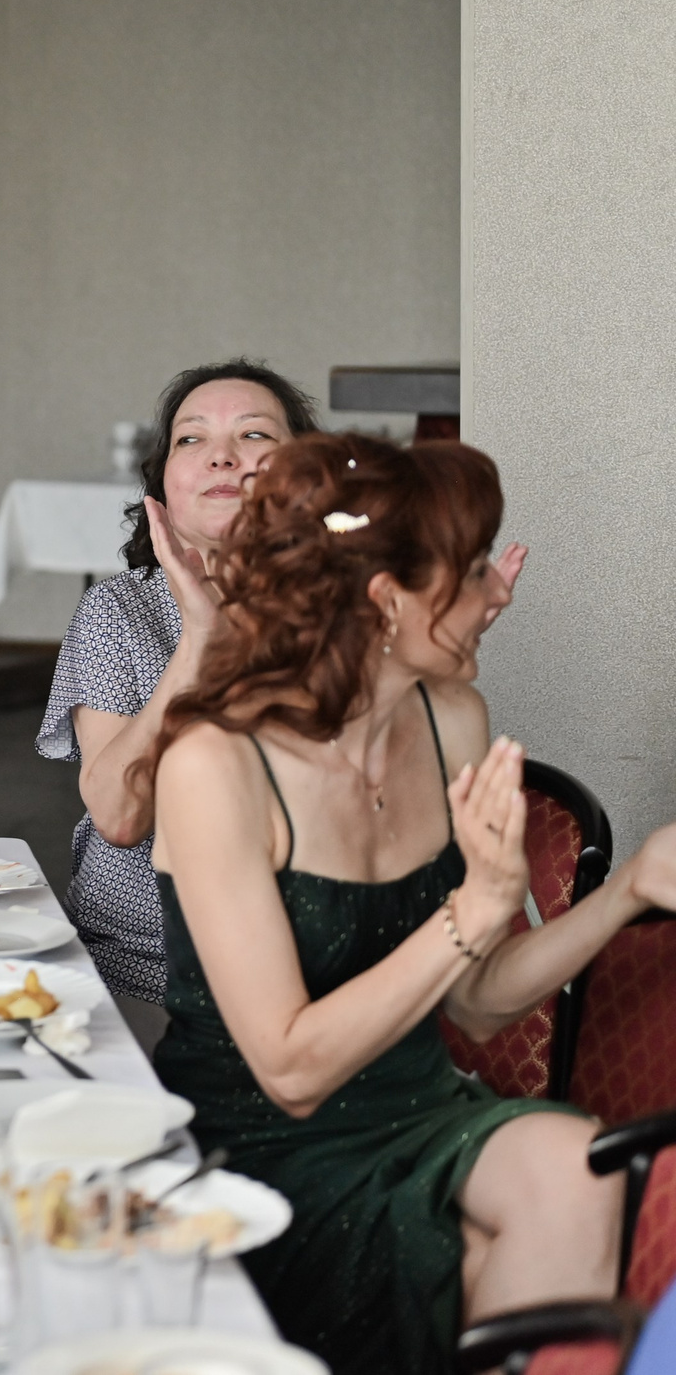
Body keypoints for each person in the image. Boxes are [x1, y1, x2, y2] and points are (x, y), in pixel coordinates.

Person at [149, 433, 676, 1370]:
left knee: (578, 1165)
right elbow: (291, 1067)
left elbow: (476, 995)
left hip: (423, 1107)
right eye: (472, 570)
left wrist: (631, 884)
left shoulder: (452, 719)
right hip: (263, 1151)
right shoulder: (214, 765)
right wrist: (470, 912)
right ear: (387, 601)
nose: (498, 593)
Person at [37, 361, 320, 1011]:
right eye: (191, 439)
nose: (222, 456)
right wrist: (198, 641)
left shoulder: (344, 618)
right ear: (162, 483)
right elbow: (119, 816)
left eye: (255, 437)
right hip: (140, 973)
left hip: (298, 977)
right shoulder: (117, 611)